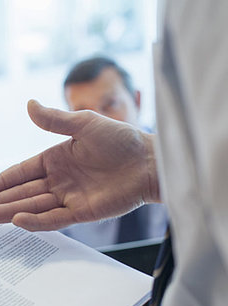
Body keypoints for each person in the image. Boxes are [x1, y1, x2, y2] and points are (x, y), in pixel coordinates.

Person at [0, 1, 228, 306]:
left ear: (135, 96)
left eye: (111, 104)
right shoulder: (77, 200)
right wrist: (157, 167)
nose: (101, 119)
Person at [58, 56, 167, 247]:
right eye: (81, 114)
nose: (98, 125)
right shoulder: (66, 187)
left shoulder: (181, 160)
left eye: (110, 105)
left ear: (137, 101)